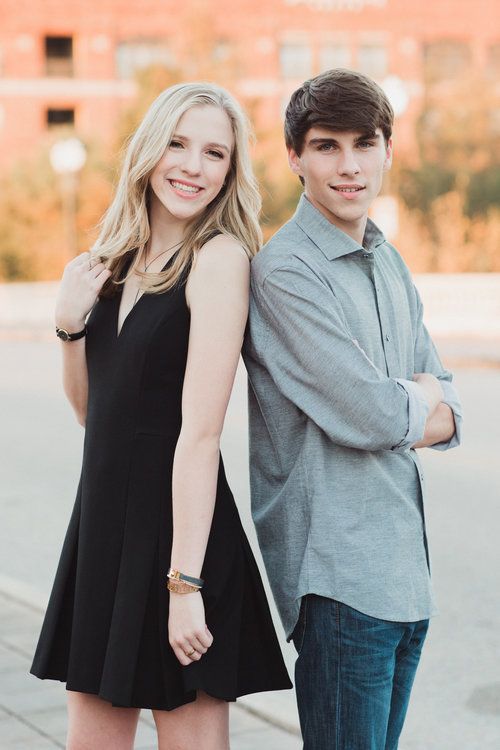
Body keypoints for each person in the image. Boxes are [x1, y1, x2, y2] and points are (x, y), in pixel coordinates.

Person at [30, 82, 291, 750]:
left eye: (214, 153)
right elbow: (96, 415)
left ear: (231, 172)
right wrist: (68, 327)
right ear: (148, 150)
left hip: (184, 542)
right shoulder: (112, 264)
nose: (192, 166)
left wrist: (185, 584)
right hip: (104, 534)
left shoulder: (218, 259)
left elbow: (201, 436)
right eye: (177, 143)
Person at [243, 68, 463, 750]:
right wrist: (417, 397)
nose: (349, 165)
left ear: (387, 150)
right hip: (340, 587)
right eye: (326, 146)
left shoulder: (388, 260)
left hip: (404, 576)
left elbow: (453, 407)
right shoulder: (285, 271)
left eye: (364, 144)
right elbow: (372, 415)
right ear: (294, 158)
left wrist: (422, 400)